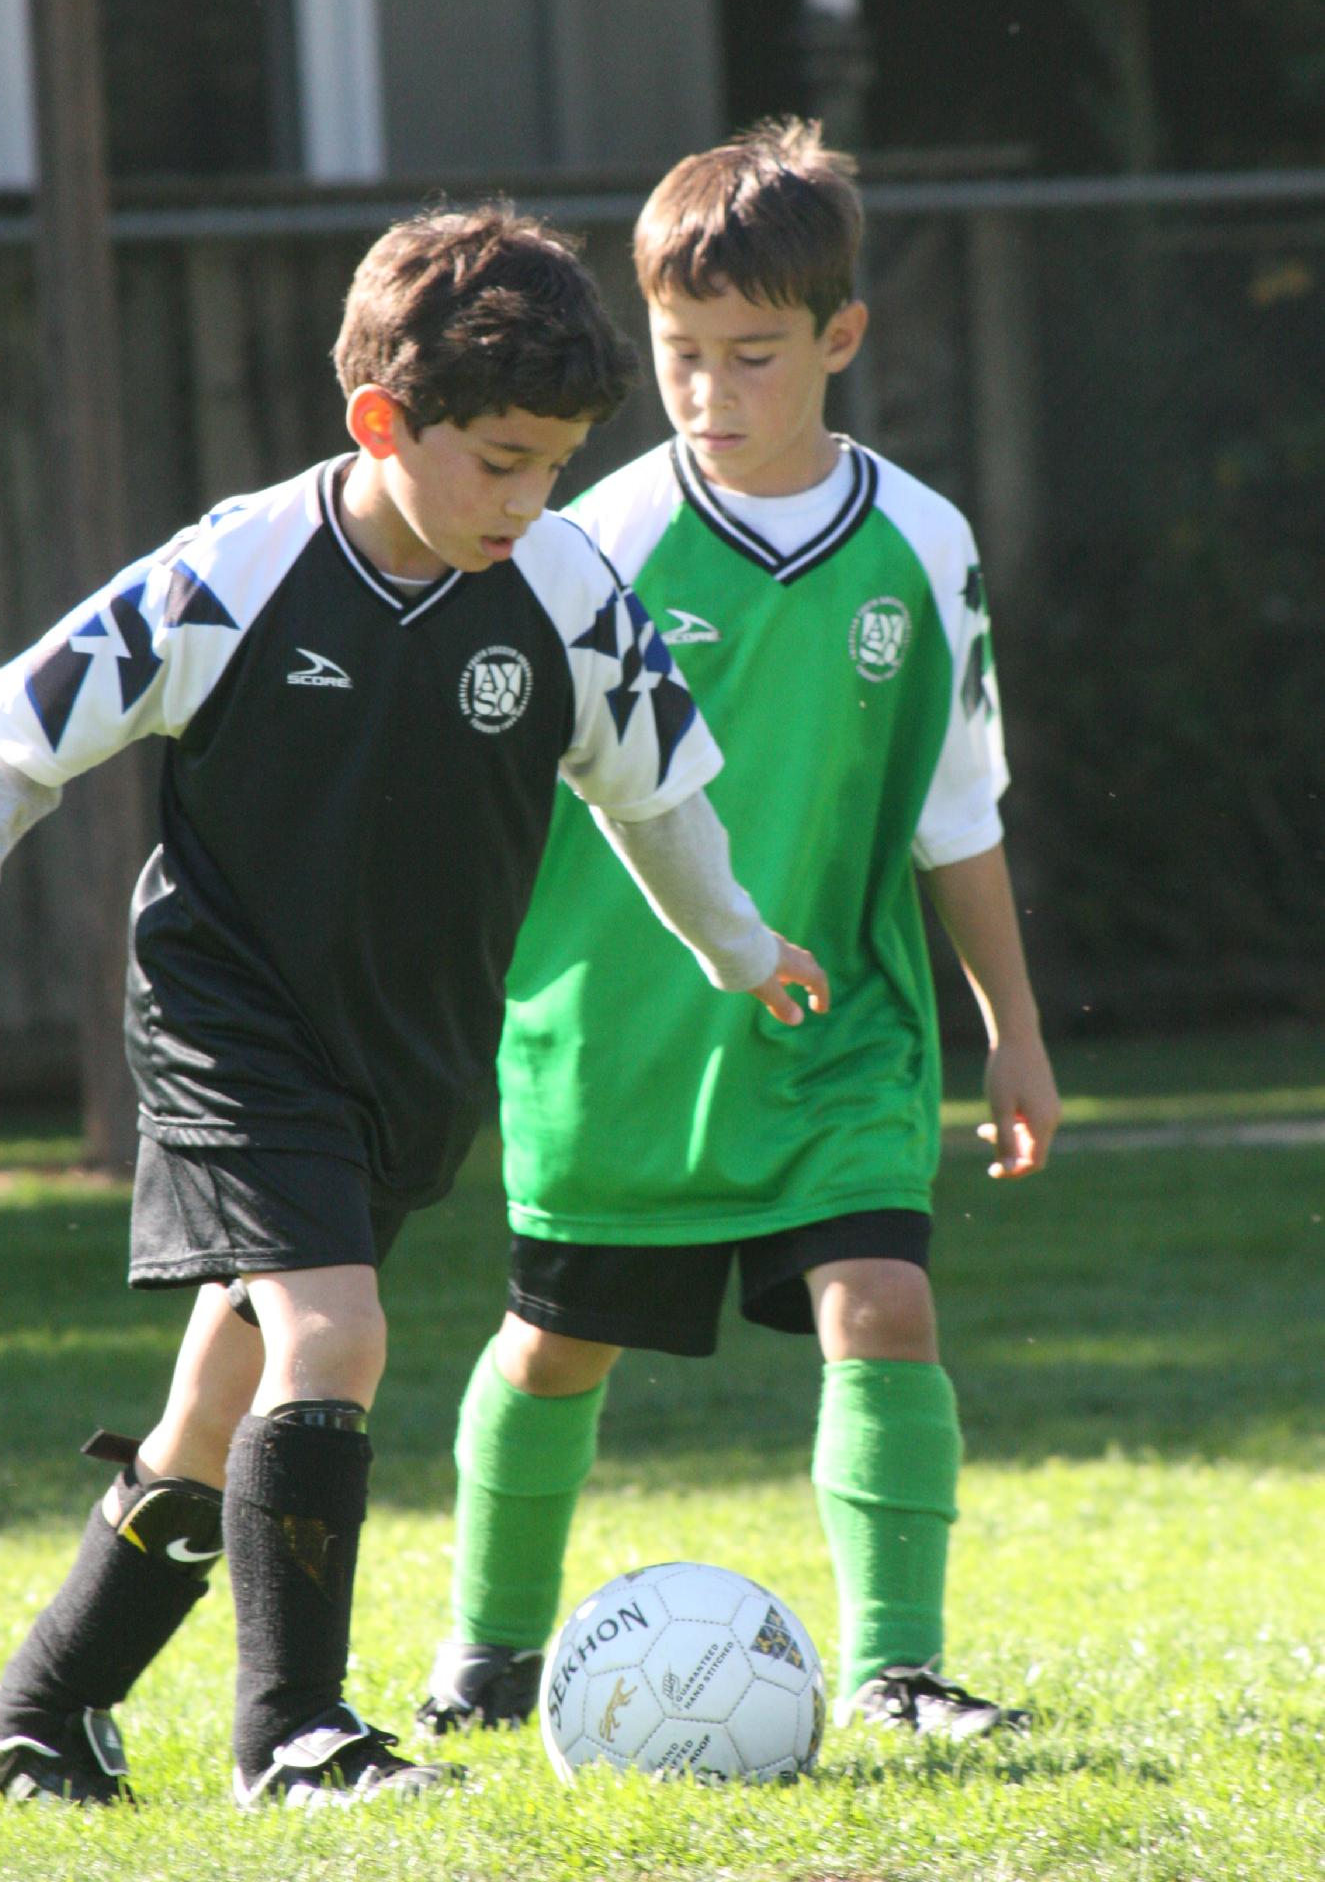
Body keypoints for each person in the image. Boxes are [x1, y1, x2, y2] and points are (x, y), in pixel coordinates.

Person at [0, 204, 827, 1811]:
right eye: (498, 462)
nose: (528, 498)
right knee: (333, 1334)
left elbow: (654, 794)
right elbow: (3, 744)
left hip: (411, 1050)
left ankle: (38, 1716)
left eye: (553, 466)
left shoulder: (562, 589)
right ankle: (294, 1736)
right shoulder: (232, 572)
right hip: (231, 1021)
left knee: (218, 1402)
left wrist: (736, 945)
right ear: (381, 421)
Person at [418, 123, 1062, 1745]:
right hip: (618, 1038)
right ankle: (486, 1656)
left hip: (837, 1027)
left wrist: (1014, 1030)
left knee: (884, 1302)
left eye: (750, 353)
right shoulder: (592, 543)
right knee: (556, 1348)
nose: (707, 389)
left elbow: (957, 808)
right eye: (678, 351)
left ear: (841, 337)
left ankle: (898, 1671)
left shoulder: (922, 544)